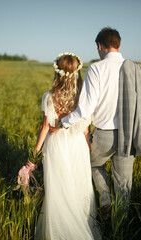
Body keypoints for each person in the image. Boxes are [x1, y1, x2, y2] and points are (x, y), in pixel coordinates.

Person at [51, 27, 137, 218]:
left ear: (100, 46)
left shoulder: (96, 69)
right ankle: (120, 228)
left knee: (92, 164)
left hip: (104, 134)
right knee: (124, 183)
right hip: (129, 134)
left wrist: (63, 122)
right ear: (119, 45)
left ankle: (106, 201)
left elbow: (86, 111)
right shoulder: (134, 69)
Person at [34, 53, 101, 240]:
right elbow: (86, 130)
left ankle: (58, 232)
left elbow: (45, 127)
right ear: (77, 73)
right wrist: (88, 150)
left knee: (58, 190)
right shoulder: (83, 98)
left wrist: (34, 157)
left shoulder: (49, 96)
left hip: (56, 146)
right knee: (79, 187)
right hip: (77, 144)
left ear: (57, 72)